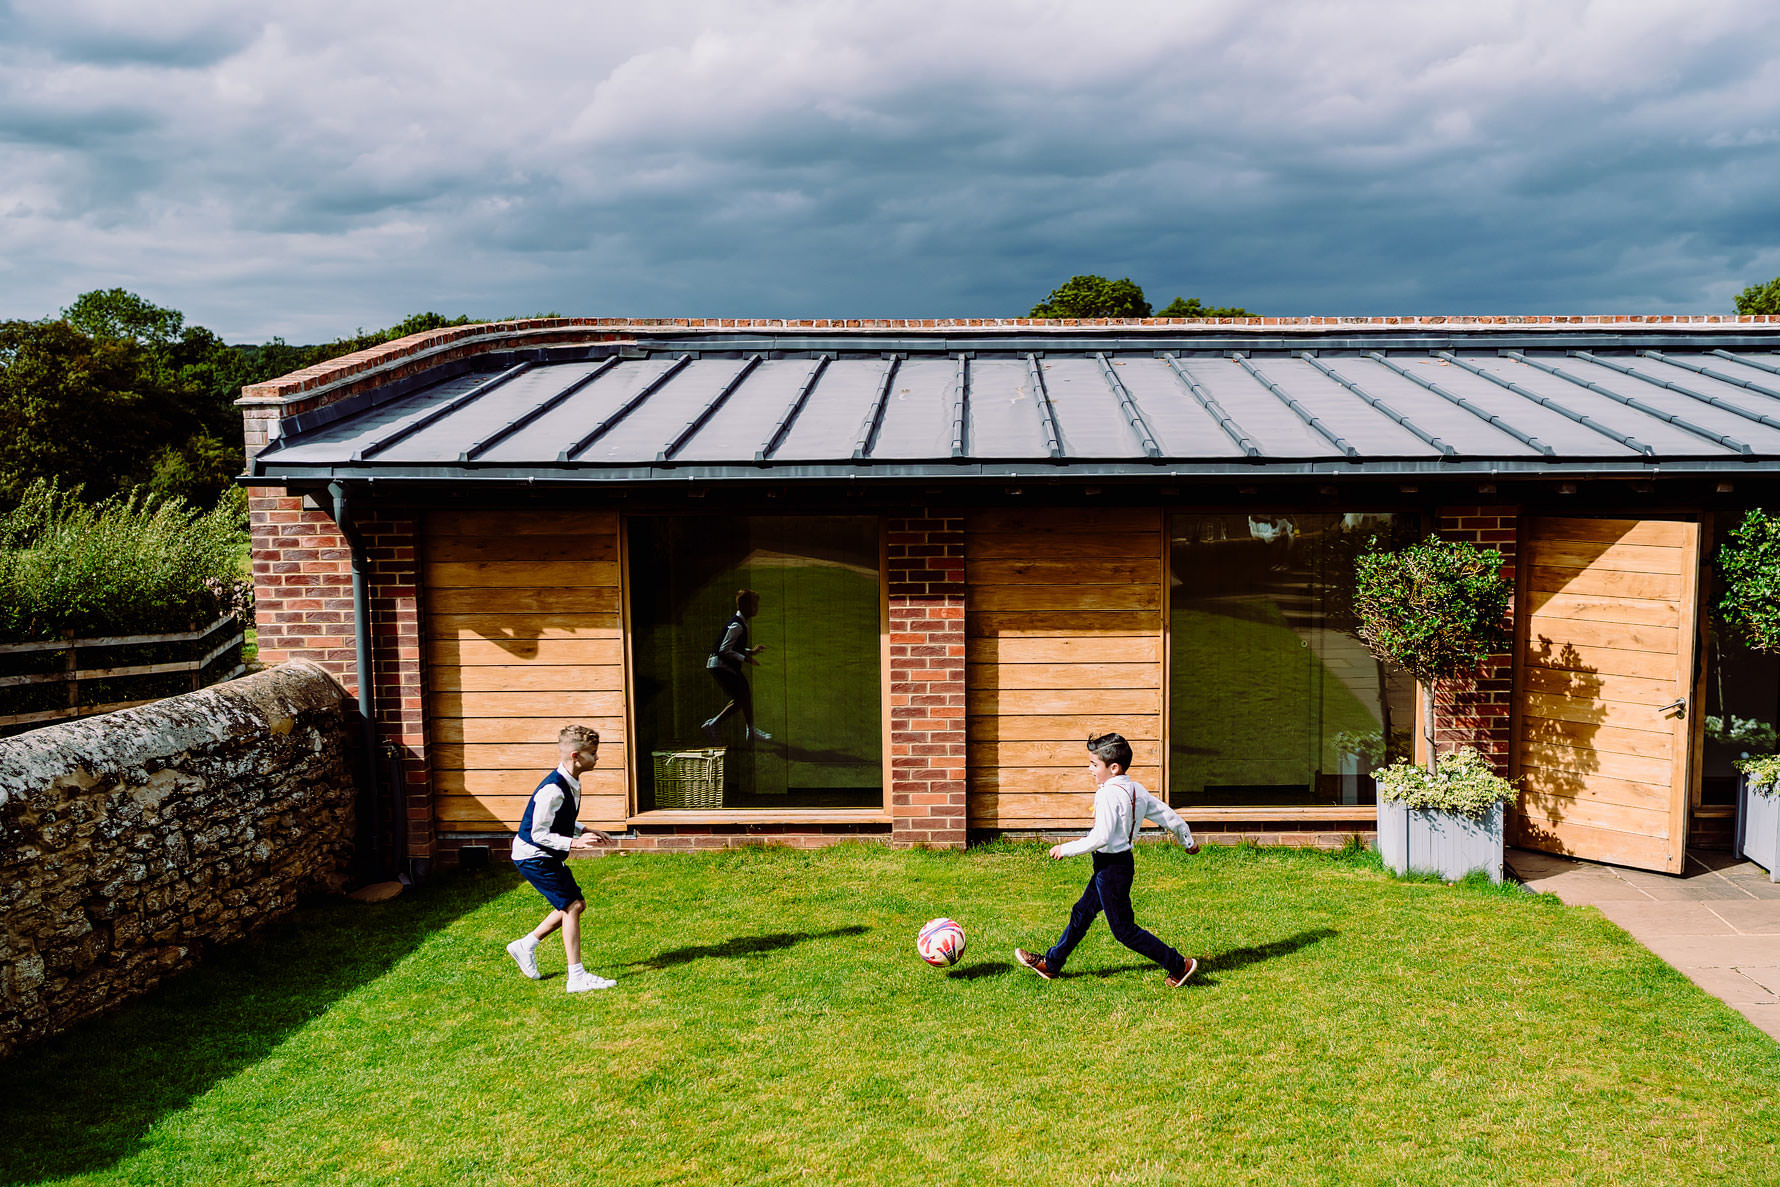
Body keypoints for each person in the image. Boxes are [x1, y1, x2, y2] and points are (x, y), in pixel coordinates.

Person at [1015, 732, 1201, 987]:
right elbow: (1169, 816)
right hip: (1119, 865)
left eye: (1094, 764)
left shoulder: (1106, 795)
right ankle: (1052, 964)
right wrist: (1187, 841)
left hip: (1111, 869)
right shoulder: (1136, 789)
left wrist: (1065, 849)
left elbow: (1101, 837)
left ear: (1113, 768)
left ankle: (1179, 965)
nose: (1090, 769)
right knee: (1082, 912)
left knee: (1124, 931)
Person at [506, 724, 616, 993]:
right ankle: (576, 977)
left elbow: (561, 817)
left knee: (576, 904)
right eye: (593, 753)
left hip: (544, 855)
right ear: (576, 756)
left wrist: (584, 829)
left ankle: (526, 945)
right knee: (572, 907)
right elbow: (539, 832)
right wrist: (575, 842)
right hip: (533, 856)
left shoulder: (570, 781)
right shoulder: (553, 789)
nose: (597, 758)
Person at [702, 588, 770, 742]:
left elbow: (733, 648)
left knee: (744, 694)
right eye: (754, 605)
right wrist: (745, 659)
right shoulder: (737, 625)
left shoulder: (741, 623)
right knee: (740, 698)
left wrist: (750, 652)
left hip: (723, 665)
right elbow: (724, 649)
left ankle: (750, 730)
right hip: (720, 665)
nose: (756, 608)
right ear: (744, 607)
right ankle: (713, 724)